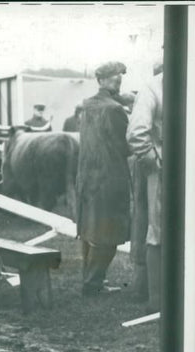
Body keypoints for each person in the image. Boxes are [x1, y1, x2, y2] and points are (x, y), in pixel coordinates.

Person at [76, 61, 131, 296]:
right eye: (117, 79)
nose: (118, 83)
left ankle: (91, 280)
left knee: (90, 230)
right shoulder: (115, 110)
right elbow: (124, 146)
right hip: (110, 178)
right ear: (111, 82)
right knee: (109, 232)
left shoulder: (87, 105)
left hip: (87, 177)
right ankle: (93, 284)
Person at [127, 65, 163, 312]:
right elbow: (137, 132)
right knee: (158, 232)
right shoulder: (154, 86)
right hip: (166, 170)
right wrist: (154, 160)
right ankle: (158, 301)